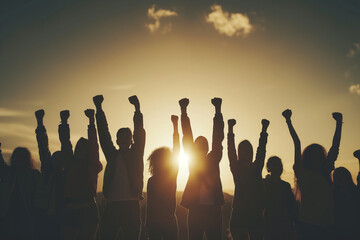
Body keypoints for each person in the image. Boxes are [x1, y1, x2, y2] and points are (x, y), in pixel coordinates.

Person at [282, 109, 342, 240]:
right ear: (307, 158)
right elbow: (297, 143)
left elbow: (335, 147)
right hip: (308, 225)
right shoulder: (302, 173)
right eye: (313, 155)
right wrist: (288, 121)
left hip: (328, 225)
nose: (317, 158)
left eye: (319, 155)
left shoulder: (325, 172)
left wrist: (339, 124)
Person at [94, 95, 146, 240]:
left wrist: (137, 109)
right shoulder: (112, 154)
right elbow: (104, 135)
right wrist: (99, 109)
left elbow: (139, 132)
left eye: (127, 137)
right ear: (117, 141)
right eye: (121, 137)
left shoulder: (136, 154)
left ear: (131, 140)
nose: (124, 140)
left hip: (131, 204)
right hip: (112, 205)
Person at [179, 97, 225, 240]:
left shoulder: (213, 158)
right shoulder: (193, 161)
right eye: (198, 145)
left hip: (213, 211)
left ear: (207, 148)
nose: (200, 147)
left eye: (203, 145)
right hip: (196, 210)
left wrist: (218, 110)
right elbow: (187, 135)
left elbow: (217, 137)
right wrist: (183, 111)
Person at [59, 109, 103, 240]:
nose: (81, 150)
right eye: (79, 147)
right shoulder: (69, 163)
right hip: (71, 208)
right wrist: (64, 122)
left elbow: (94, 144)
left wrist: (91, 121)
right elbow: (65, 143)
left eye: (85, 148)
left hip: (88, 208)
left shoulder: (92, 165)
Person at [227, 118, 269, 240]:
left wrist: (264, 130)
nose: (247, 153)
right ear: (240, 152)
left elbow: (261, 149)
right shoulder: (236, 168)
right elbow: (230, 151)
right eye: (244, 151)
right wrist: (230, 129)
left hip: (255, 215)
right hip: (239, 214)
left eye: (249, 150)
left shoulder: (256, 167)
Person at [146, 115, 180, 240]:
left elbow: (177, 150)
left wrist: (175, 126)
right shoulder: (170, 176)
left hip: (163, 222)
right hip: (163, 222)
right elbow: (150, 205)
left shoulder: (168, 176)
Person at [34, 109, 65, 240]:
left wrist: (64, 122)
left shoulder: (66, 176)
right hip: (43, 215)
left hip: (60, 218)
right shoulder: (47, 170)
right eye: (54, 158)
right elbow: (43, 146)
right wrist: (40, 123)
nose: (56, 161)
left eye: (60, 159)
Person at [0, 143, 40, 240]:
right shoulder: (8, 173)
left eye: (21, 157)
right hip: (7, 216)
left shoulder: (33, 175)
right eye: (17, 157)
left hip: (26, 215)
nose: (18, 159)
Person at [263, 156, 297, 240]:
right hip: (270, 224)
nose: (276, 168)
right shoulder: (265, 184)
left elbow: (292, 206)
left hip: (283, 225)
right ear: (269, 168)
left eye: (278, 166)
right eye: (274, 165)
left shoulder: (286, 186)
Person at [332, 150, 360, 240]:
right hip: (339, 231)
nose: (341, 179)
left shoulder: (355, 192)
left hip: (354, 230)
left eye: (343, 175)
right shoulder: (333, 194)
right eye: (338, 177)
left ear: (348, 176)